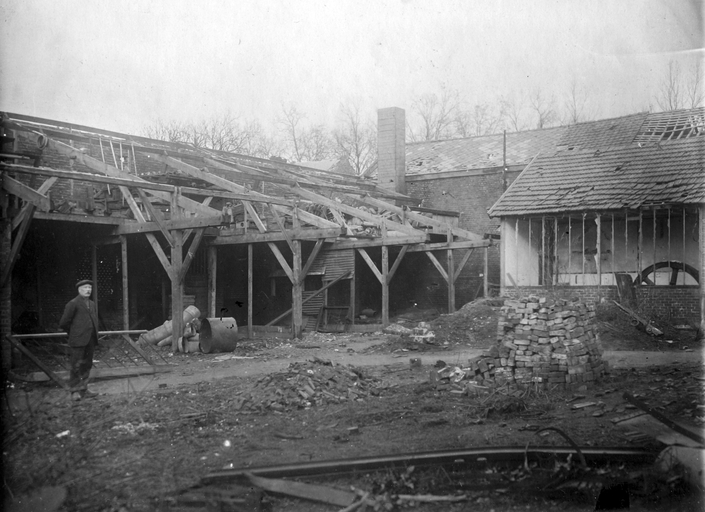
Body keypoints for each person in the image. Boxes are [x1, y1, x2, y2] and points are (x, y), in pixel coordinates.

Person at [59, 279, 100, 401]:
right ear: (79, 290)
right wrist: (74, 333)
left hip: (90, 340)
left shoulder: (92, 304)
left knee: (86, 366)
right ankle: (74, 392)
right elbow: (64, 323)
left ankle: (84, 390)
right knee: (76, 366)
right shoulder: (73, 303)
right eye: (85, 288)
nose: (88, 290)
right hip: (78, 341)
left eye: (89, 288)